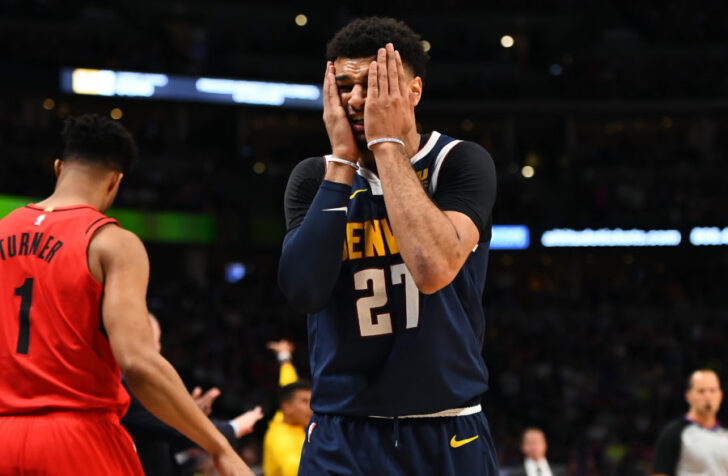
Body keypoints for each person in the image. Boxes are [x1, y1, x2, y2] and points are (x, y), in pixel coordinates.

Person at [278, 17, 498, 475]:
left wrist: (386, 146)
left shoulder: (458, 163)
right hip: (342, 429)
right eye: (344, 86)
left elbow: (434, 268)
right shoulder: (313, 176)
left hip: (446, 428)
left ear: (413, 92)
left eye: (373, 86)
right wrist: (341, 163)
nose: (357, 100)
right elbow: (302, 292)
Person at [0, 114, 252, 476]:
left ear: (58, 168)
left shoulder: (2, 230)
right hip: (76, 438)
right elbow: (137, 363)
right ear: (115, 182)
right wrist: (219, 445)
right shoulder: (110, 241)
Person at [121, 313, 264, 475]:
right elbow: (178, 429)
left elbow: (156, 434)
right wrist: (234, 426)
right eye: (157, 341)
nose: (159, 348)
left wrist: (191, 414)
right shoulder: (127, 384)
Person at [652, 369, 728, 476]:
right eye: (701, 391)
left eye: (713, 390)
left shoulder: (725, 434)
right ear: (688, 396)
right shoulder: (674, 433)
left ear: (720, 395)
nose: (708, 397)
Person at [262, 340, 312, 476]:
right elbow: (293, 467)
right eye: (305, 401)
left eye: (311, 401)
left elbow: (288, 382)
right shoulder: (279, 438)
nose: (312, 407)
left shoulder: (286, 413)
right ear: (287, 407)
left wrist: (284, 357)